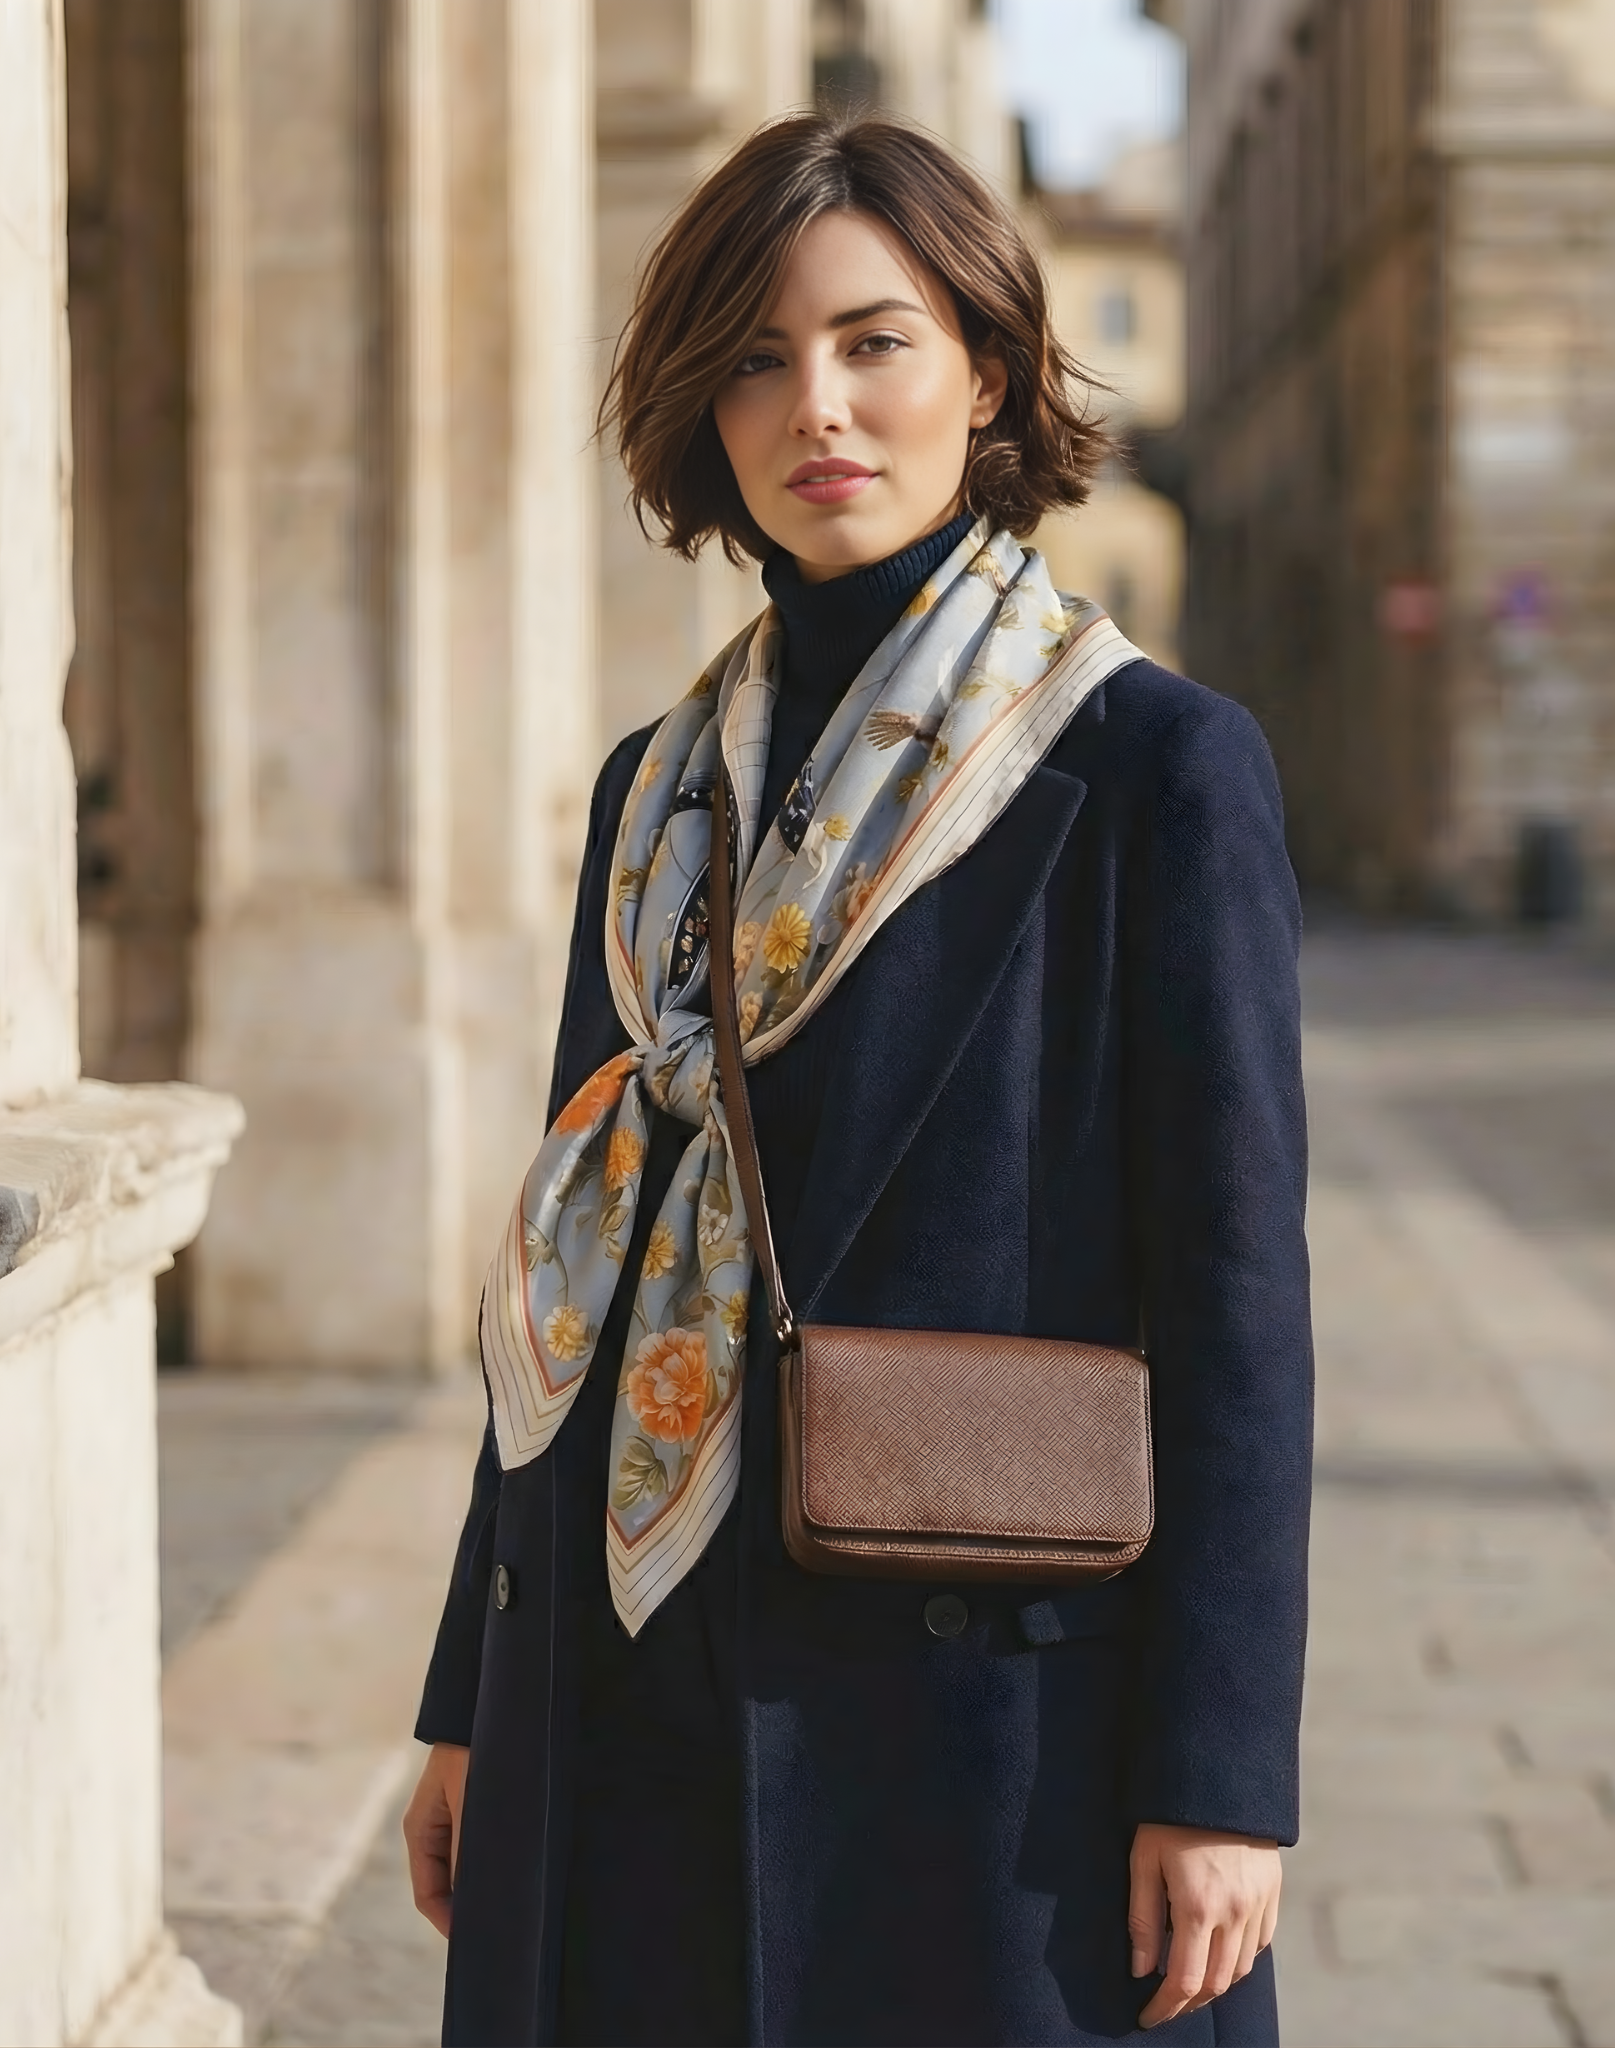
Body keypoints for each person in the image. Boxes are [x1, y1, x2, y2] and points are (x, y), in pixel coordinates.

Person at [401, 110, 1312, 2048]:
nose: (814, 402)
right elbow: (560, 1272)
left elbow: (1236, 1296)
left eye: (872, 340)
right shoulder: (651, 791)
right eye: (751, 353)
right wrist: (466, 1698)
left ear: (983, 373)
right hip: (625, 1674)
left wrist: (1222, 1771)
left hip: (989, 1725)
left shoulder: (1147, 766)